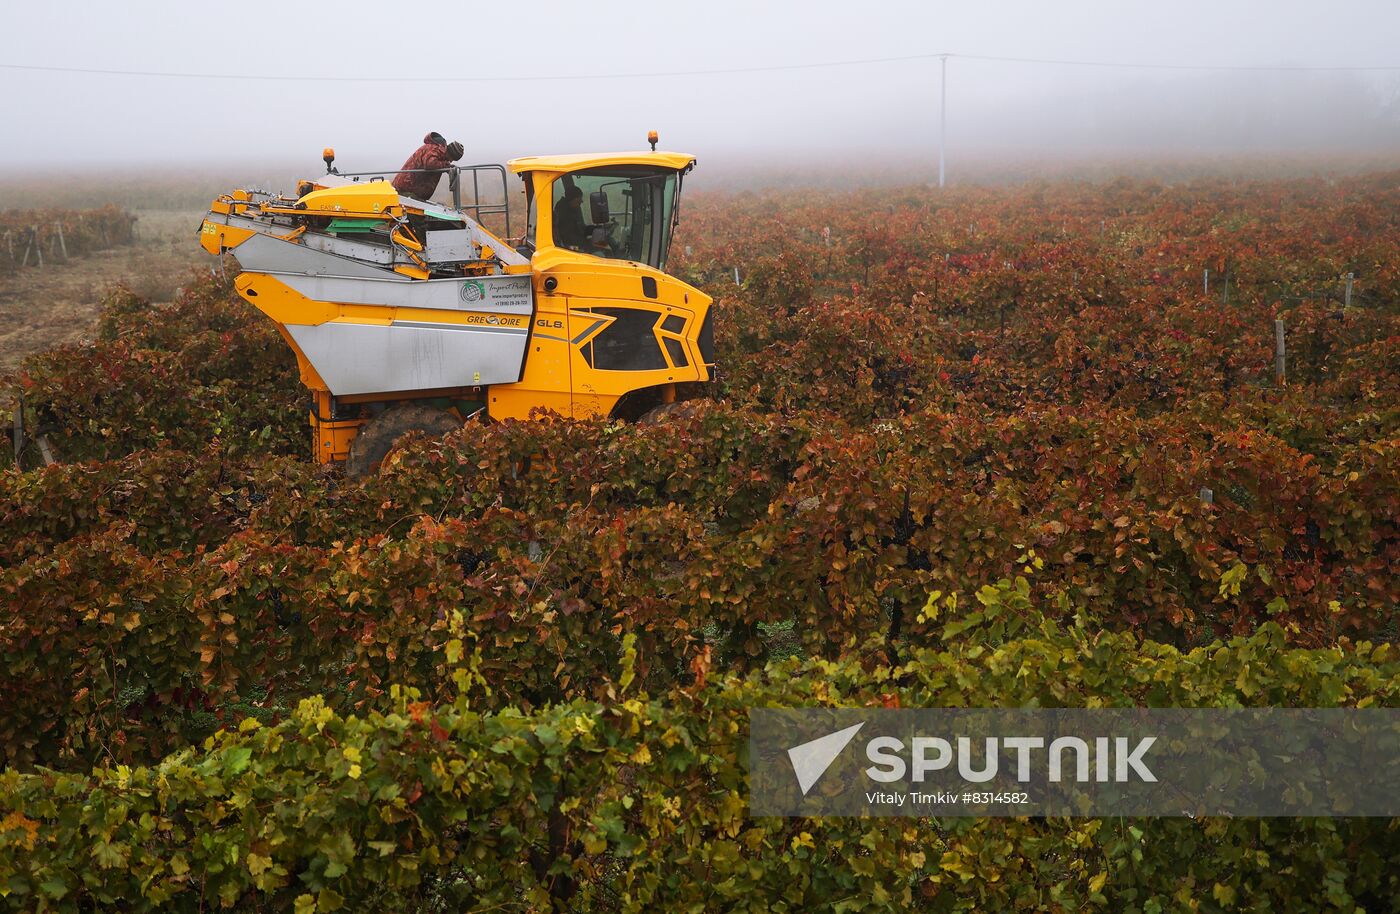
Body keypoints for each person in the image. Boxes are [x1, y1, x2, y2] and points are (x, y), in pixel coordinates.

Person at [391, 132, 464, 200]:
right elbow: (430, 164)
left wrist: (447, 167)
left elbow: (435, 164)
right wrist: (447, 167)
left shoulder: (438, 151)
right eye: (452, 158)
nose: (450, 161)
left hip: (410, 192)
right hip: (405, 191)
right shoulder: (435, 148)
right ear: (450, 153)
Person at [552, 183, 590, 250]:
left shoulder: (571, 210)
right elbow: (570, 239)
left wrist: (595, 229)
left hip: (574, 247)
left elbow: (580, 229)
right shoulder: (564, 214)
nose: (581, 201)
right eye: (579, 198)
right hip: (570, 249)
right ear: (573, 199)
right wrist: (588, 245)